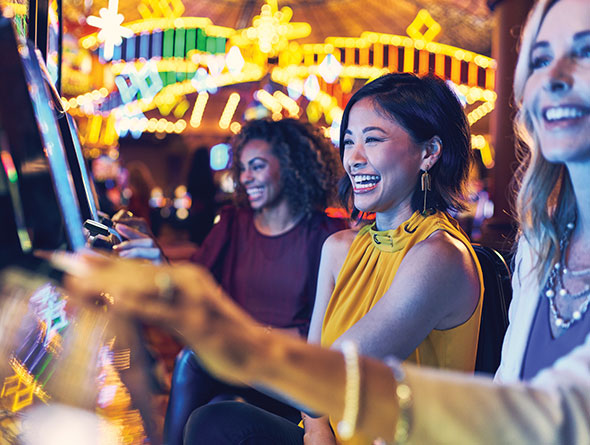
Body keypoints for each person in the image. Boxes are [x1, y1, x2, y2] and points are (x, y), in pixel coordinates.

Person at [60, 0, 590, 442]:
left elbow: (339, 371)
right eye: (349, 141)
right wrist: (315, 432)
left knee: (214, 409)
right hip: (330, 428)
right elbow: (316, 388)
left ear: (429, 153)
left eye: (374, 140)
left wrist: (204, 319)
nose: (354, 157)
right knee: (215, 416)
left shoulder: (439, 257)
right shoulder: (341, 245)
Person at [164, 118, 346, 444]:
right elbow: (192, 282)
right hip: (242, 364)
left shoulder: (325, 235)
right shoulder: (235, 224)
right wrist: (152, 259)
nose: (246, 176)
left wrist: (255, 336)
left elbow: (329, 332)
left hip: (293, 371)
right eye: (243, 167)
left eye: (257, 166)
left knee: (194, 361)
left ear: (290, 168)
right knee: (196, 362)